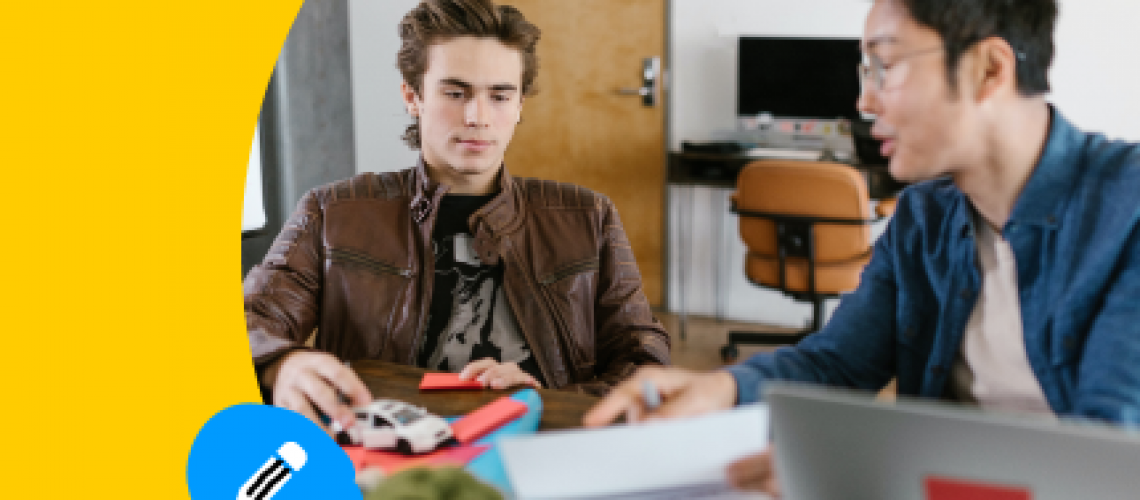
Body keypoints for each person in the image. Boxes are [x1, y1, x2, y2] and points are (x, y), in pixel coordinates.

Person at [585, 0, 1140, 495]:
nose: (864, 100)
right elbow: (840, 363)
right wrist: (721, 387)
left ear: (987, 68)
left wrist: (868, 475)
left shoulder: (1127, 211)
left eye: (886, 65)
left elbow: (1108, 453)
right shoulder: (924, 216)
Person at [245, 0, 670, 433]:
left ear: (521, 103)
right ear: (412, 96)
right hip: (384, 455)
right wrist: (282, 363)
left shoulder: (588, 217)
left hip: (539, 448)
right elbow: (248, 320)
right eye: (455, 93)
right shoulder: (333, 213)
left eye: (499, 95)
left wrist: (543, 401)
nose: (477, 117)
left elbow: (644, 358)